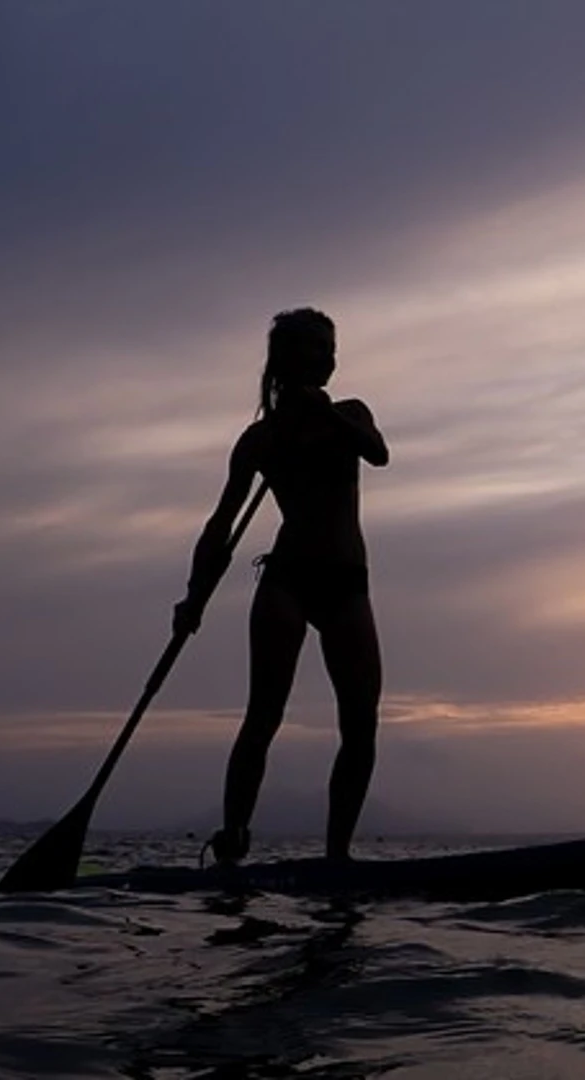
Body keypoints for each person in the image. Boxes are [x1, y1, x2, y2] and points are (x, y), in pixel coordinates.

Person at [174, 308, 389, 865]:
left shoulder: (351, 413)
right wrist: (194, 596)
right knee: (264, 714)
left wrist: (328, 420)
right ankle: (234, 837)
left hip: (348, 584)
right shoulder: (261, 439)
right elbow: (221, 524)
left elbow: (378, 452)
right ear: (286, 358)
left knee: (361, 723)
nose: (329, 357)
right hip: (287, 580)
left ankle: (337, 856)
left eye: (331, 346)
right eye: (316, 347)